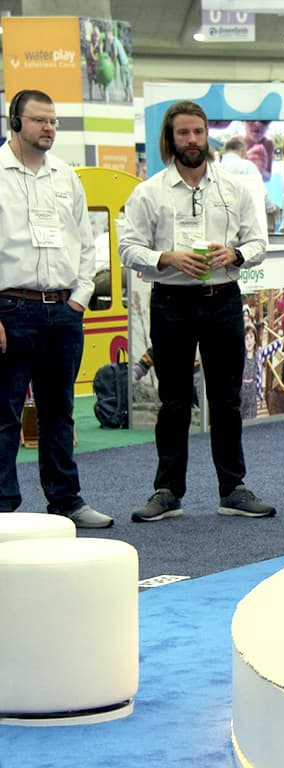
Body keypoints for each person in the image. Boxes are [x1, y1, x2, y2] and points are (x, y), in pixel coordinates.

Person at [119, 100, 276, 523]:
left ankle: (233, 489)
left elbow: (259, 243)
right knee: (173, 401)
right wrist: (166, 258)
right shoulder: (148, 193)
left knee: (226, 400)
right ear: (170, 140)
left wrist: (237, 253)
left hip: (222, 298)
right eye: (183, 134)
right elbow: (127, 250)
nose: (192, 141)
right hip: (171, 303)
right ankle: (167, 490)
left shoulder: (234, 189)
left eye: (198, 133)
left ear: (208, 137)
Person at [0, 89, 112, 529]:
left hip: (62, 311)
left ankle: (66, 501)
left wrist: (79, 299)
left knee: (59, 411)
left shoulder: (65, 175)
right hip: (11, 309)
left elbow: (86, 242)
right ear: (15, 122)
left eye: (53, 121)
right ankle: (4, 509)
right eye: (39, 120)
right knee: (5, 415)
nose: (48, 128)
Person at [220, 137, 279, 229]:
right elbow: (260, 193)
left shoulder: (215, 166)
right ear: (242, 152)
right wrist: (272, 209)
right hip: (245, 222)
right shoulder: (247, 166)